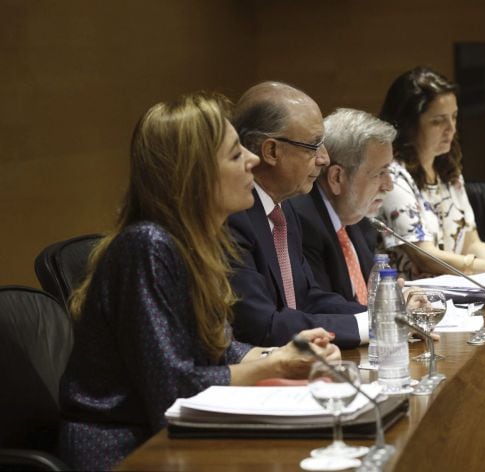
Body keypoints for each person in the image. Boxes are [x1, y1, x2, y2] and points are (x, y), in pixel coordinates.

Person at [57, 93, 340, 470]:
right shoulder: (147, 247)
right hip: (126, 450)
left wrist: (288, 353)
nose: (253, 161)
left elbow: (219, 350)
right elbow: (172, 388)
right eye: (237, 155)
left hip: (180, 437)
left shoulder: (196, 244)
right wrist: (276, 366)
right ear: (196, 173)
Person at [228, 82, 368, 350]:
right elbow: (261, 326)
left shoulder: (284, 208)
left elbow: (306, 298)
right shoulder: (234, 217)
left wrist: (379, 315)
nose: (324, 159)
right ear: (271, 151)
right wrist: (369, 327)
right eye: (314, 145)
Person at [377, 66, 485, 279]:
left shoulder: (448, 172)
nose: (451, 129)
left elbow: (471, 245)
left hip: (453, 294)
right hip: (410, 300)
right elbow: (426, 258)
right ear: (408, 125)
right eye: (438, 121)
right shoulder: (391, 176)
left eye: (454, 117)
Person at [290, 108, 395, 303]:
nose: (389, 185)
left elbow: (367, 299)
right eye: (380, 173)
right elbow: (321, 307)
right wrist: (386, 311)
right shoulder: (303, 223)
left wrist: (394, 299)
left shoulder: (359, 222)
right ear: (337, 177)